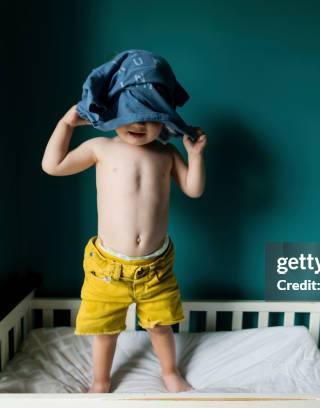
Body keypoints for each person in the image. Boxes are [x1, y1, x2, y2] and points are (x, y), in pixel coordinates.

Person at [41, 104, 207, 393]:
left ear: (164, 120)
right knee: (105, 331)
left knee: (160, 326)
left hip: (155, 267)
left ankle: (169, 372)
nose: (139, 124)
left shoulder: (165, 153)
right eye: (130, 115)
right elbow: (52, 166)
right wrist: (67, 124)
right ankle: (100, 381)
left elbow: (193, 189)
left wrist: (194, 155)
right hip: (108, 266)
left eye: (149, 119)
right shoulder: (100, 147)